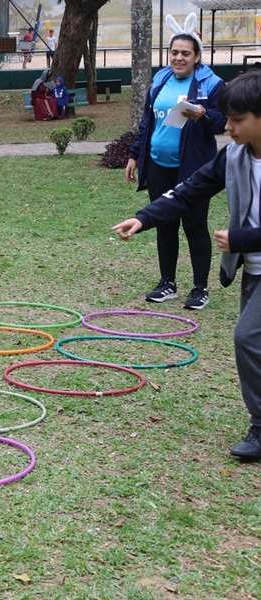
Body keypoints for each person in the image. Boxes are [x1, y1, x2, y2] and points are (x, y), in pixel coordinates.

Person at [113, 69, 261, 459]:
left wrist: (245, 239)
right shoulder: (232, 157)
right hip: (253, 271)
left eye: (237, 120)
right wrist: (144, 217)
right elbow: (188, 191)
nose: (227, 127)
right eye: (226, 118)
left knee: (247, 338)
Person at [125, 13, 226, 310]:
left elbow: (223, 123)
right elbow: (148, 120)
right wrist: (134, 154)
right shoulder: (161, 79)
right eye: (174, 52)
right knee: (164, 223)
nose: (178, 58)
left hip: (192, 168)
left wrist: (203, 115)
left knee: (194, 226)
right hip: (159, 164)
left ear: (197, 56)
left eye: (185, 53)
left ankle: (200, 288)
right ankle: (167, 282)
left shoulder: (212, 84)